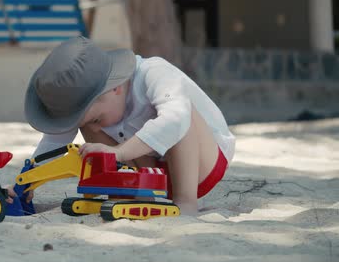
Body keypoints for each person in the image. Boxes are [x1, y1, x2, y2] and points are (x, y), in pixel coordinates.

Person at [13, 36, 235, 215]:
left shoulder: (154, 73)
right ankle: (136, 193)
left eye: (97, 118)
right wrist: (26, 183)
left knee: (180, 113)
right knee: (87, 127)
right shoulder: (98, 105)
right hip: (153, 173)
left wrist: (119, 152)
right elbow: (55, 140)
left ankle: (186, 202)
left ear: (116, 87)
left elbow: (176, 119)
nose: (96, 127)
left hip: (201, 167)